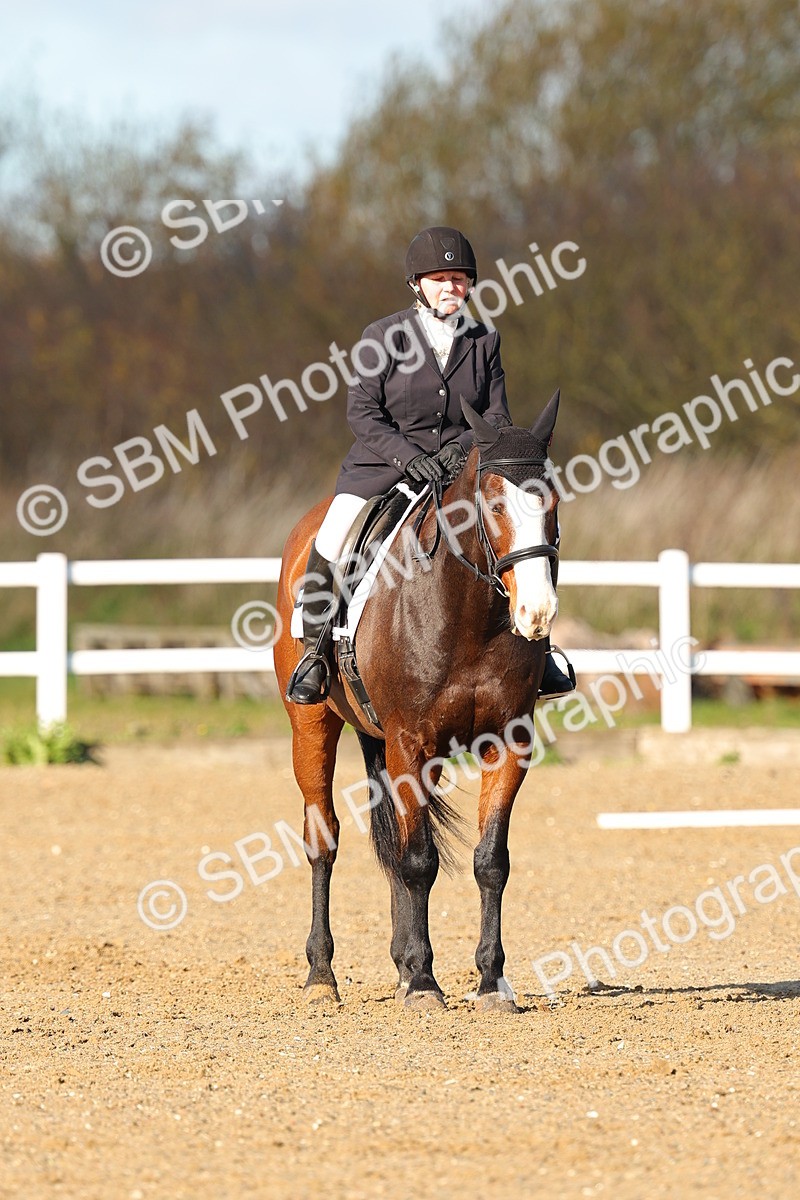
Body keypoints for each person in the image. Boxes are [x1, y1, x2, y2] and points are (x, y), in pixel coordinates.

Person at [286, 225, 574, 704]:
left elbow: (497, 416)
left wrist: (457, 454)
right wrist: (411, 457)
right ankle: (315, 653)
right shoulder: (382, 336)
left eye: (459, 279)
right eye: (440, 278)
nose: (451, 288)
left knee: (526, 532)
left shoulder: (484, 339)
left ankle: (538, 649)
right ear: (417, 284)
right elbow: (362, 412)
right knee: (334, 531)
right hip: (384, 465)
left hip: (458, 468)